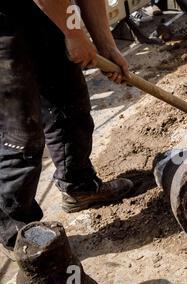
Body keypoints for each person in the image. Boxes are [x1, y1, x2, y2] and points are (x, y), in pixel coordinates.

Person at [0, 0, 135, 260]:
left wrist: (105, 44)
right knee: (19, 133)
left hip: (32, 7)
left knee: (67, 98)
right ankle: (21, 238)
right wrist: (74, 33)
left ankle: (79, 185)